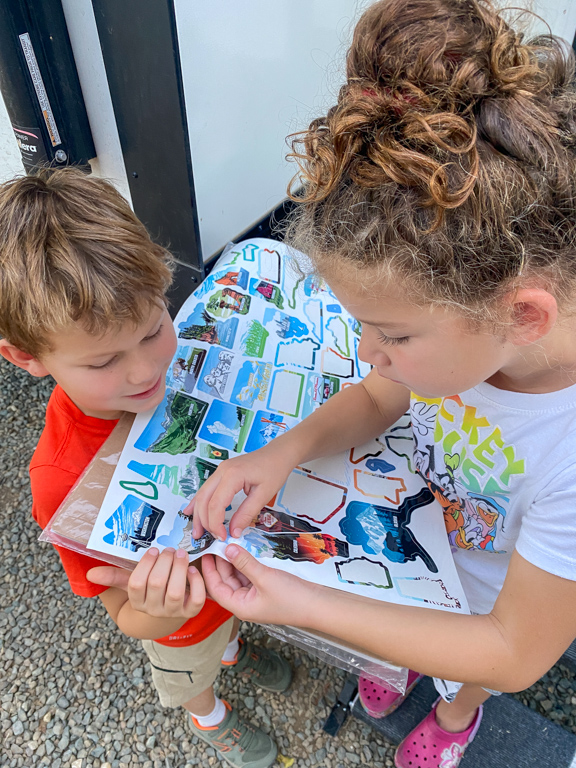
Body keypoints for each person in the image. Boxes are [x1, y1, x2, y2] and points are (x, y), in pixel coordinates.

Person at [188, 2, 576, 766]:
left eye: (393, 335)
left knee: (465, 677)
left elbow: (511, 649)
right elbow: (376, 397)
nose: (369, 353)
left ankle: (455, 719)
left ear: (522, 315)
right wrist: (281, 453)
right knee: (401, 642)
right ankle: (396, 656)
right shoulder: (471, 334)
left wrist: (302, 603)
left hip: (497, 597)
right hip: (415, 551)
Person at [0, 169, 290, 768]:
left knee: (226, 633)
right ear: (26, 357)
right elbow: (124, 614)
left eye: (155, 328)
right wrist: (156, 611)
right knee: (192, 672)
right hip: (178, 627)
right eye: (104, 361)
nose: (145, 371)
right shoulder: (61, 480)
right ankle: (208, 716)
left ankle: (233, 649)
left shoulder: (177, 364)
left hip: (232, 585)